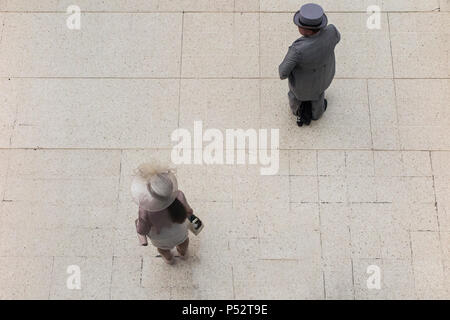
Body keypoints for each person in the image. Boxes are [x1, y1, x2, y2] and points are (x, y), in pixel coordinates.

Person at [279, 3, 341, 127]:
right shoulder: (332, 31)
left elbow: (283, 73)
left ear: (305, 30)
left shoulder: (297, 50)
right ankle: (317, 114)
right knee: (318, 97)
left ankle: (297, 112)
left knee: (296, 98)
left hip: (302, 87)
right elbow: (337, 38)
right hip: (324, 78)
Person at [131, 163, 193, 265]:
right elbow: (189, 211)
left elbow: (142, 229)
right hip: (180, 230)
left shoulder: (145, 208)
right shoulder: (179, 195)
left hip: (160, 237)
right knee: (184, 242)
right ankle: (183, 254)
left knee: (163, 249)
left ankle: (169, 259)